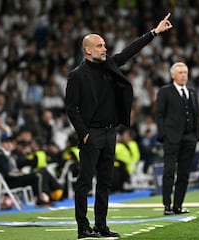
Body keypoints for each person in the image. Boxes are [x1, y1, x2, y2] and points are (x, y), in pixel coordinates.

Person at [65, 13, 173, 239]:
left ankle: (101, 225)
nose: (104, 48)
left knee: (105, 182)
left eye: (104, 45)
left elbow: (130, 51)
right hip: (91, 135)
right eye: (99, 45)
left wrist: (153, 32)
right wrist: (83, 133)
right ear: (88, 50)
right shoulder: (77, 76)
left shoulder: (110, 65)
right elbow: (71, 107)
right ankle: (83, 228)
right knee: (85, 182)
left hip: (109, 132)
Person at [156, 62, 199, 215]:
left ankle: (178, 205)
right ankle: (167, 205)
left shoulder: (192, 92)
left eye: (185, 72)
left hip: (189, 138)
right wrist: (163, 135)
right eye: (180, 72)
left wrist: (196, 136)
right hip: (172, 138)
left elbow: (196, 115)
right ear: (172, 75)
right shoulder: (165, 91)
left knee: (184, 173)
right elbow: (159, 114)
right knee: (169, 171)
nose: (183, 75)